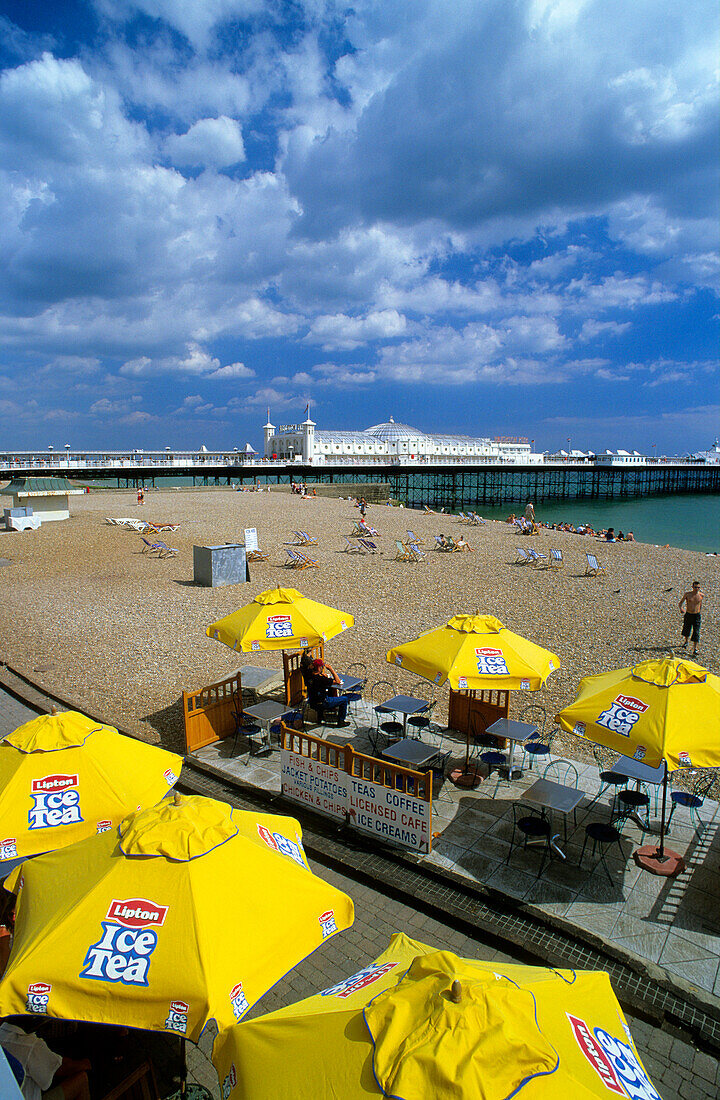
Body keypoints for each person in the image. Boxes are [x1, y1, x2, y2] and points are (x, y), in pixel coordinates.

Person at [0, 1021, 91, 1100]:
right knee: (82, 1078)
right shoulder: (30, 1044)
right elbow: (60, 1069)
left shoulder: (2, 1034)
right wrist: (85, 1064)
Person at [306, 659, 349, 726]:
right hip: (323, 703)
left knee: (324, 692)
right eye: (322, 667)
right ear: (319, 668)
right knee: (344, 699)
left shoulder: (309, 675)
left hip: (312, 702)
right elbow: (338, 681)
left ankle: (320, 717)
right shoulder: (322, 679)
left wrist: (322, 675)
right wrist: (331, 669)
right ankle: (341, 721)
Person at [679, 581, 703, 657]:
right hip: (689, 614)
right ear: (692, 587)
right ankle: (686, 642)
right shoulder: (688, 594)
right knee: (686, 629)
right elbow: (680, 603)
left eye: (698, 587)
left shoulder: (701, 595)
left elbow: (700, 605)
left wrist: (699, 612)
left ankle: (695, 648)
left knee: (696, 631)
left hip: (696, 615)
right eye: (695, 587)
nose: (697, 589)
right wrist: (681, 608)